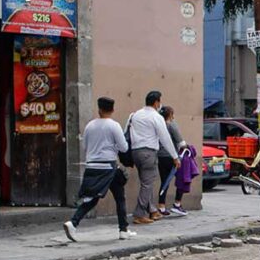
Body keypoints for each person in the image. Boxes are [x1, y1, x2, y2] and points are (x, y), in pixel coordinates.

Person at [63, 97, 134, 242]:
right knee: (120, 197)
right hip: (108, 166)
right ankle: (123, 230)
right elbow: (124, 147)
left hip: (92, 166)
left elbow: (85, 147)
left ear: (99, 109)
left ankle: (74, 223)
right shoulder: (114, 126)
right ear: (112, 110)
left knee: (93, 198)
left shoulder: (90, 126)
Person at [128, 91, 178, 224]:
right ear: (156, 102)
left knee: (146, 182)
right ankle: (139, 214)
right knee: (147, 184)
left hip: (136, 152)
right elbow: (165, 138)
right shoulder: (156, 117)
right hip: (148, 152)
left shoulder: (135, 115)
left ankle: (153, 211)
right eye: (159, 101)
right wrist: (175, 156)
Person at [156, 106, 187, 216]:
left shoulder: (158, 124)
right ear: (170, 115)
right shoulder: (172, 125)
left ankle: (161, 206)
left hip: (159, 156)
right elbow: (180, 142)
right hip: (172, 157)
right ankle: (177, 204)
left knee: (164, 182)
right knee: (182, 179)